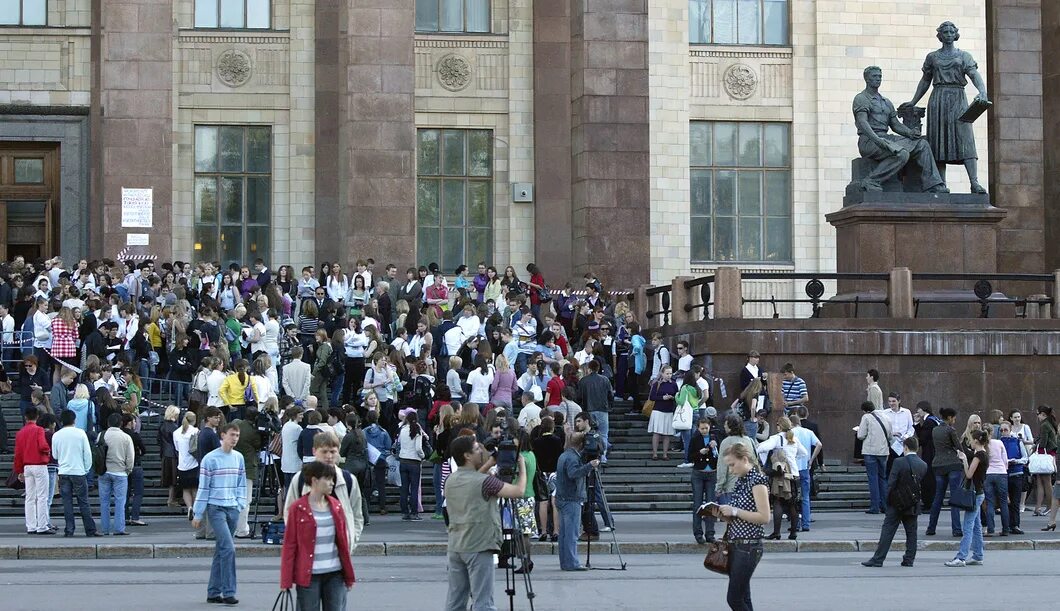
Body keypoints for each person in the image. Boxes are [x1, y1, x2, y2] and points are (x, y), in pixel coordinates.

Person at [443, 434, 528, 611]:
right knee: (484, 602)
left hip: (456, 546)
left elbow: (473, 480)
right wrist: (521, 465)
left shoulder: (450, 480)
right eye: (476, 449)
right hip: (479, 546)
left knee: (455, 601)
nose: (481, 450)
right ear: (467, 455)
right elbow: (518, 491)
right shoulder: (485, 482)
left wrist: (490, 463)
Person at [280, 462, 357, 611]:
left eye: (332, 479)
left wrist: (349, 575)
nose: (332, 483)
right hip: (309, 576)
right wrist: (285, 581)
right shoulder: (298, 508)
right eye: (327, 479)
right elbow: (290, 545)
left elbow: (342, 544)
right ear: (314, 480)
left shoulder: (336, 506)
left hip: (335, 574)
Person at [705, 442, 771, 611]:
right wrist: (723, 516)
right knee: (743, 597)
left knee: (734, 598)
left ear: (744, 459)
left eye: (733, 465)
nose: (731, 470)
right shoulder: (741, 481)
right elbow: (740, 517)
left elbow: (764, 517)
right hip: (737, 544)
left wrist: (734, 511)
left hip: (749, 545)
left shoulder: (757, 480)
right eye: (728, 466)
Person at [192, 422, 248, 605]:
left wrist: (240, 503)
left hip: (232, 507)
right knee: (228, 548)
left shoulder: (238, 457)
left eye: (237, 436)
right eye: (232, 435)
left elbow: (241, 483)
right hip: (215, 508)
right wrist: (198, 513)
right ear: (222, 435)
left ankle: (213, 592)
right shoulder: (210, 459)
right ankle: (229, 591)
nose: (235, 439)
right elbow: (203, 487)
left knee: (221, 549)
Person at [284, 431, 365, 557]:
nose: (329, 456)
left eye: (333, 452)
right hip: (309, 552)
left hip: (340, 552)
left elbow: (356, 515)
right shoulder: (301, 479)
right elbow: (289, 512)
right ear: (314, 451)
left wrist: (351, 540)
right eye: (324, 451)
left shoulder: (348, 480)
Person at [862, 436, 928, 567]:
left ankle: (878, 559)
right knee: (911, 533)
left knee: (888, 531)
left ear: (905, 447)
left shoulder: (899, 462)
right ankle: (909, 559)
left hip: (896, 503)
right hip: (913, 503)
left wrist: (887, 502)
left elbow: (891, 483)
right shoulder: (923, 464)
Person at [554, 431, 601, 571]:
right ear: (582, 444)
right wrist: (589, 466)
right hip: (571, 499)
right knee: (572, 533)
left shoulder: (564, 455)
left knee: (564, 534)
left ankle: (565, 562)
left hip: (562, 497)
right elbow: (573, 474)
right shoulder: (573, 458)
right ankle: (572, 563)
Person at [51, 409, 99, 537]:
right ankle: (90, 529)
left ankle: (69, 529)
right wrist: (86, 469)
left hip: (63, 472)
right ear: (74, 420)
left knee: (67, 502)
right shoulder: (80, 433)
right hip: (78, 471)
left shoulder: (56, 435)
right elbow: (87, 454)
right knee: (83, 501)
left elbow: (55, 455)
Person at [945, 429, 988, 567]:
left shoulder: (978, 456)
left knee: (968, 526)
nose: (970, 442)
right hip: (979, 492)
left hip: (974, 493)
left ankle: (961, 556)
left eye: (971, 439)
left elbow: (969, 474)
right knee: (976, 526)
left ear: (976, 441)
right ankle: (978, 555)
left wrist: (963, 460)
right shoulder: (984, 454)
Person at [14, 406, 53, 534]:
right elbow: (42, 445)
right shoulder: (39, 430)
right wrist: (47, 451)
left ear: (25, 417)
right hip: (39, 465)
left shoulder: (20, 433)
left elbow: (18, 453)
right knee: (42, 497)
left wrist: (19, 470)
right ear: (37, 416)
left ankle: (31, 525)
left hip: (27, 467)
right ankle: (42, 526)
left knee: (29, 497)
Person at [926, 407, 964, 537]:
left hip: (938, 465)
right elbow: (958, 447)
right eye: (954, 418)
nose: (954, 420)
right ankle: (957, 529)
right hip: (953, 464)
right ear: (949, 418)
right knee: (955, 498)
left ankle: (931, 528)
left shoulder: (935, 430)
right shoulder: (950, 430)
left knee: (938, 497)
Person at [856, 400, 892, 514]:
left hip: (870, 452)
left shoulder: (866, 417)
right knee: (883, 478)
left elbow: (861, 435)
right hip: (884, 452)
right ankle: (885, 506)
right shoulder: (885, 416)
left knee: (873, 478)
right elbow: (890, 435)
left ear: (865, 410)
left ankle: (874, 507)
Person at [232, 407, 263, 538]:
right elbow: (259, 444)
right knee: (246, 500)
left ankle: (234, 527)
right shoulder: (253, 432)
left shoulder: (237, 425)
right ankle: (242, 529)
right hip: (247, 467)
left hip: (233, 466)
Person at [790, 414, 822, 531]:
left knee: (793, 497)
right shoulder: (808, 432)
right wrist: (812, 459)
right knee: (805, 497)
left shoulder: (790, 433)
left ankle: (795, 524)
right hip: (805, 467)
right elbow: (819, 444)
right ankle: (806, 524)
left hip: (793, 468)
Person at [689, 418, 718, 544]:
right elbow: (689, 456)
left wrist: (715, 448)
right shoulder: (695, 439)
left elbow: (721, 455)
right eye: (702, 428)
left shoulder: (715, 437)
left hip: (712, 473)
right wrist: (700, 453)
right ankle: (698, 533)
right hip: (698, 473)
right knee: (697, 503)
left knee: (711, 504)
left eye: (706, 428)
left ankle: (710, 533)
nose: (705, 430)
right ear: (698, 428)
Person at [396, 411, 427, 521]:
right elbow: (418, 448)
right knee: (414, 488)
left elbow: (398, 443)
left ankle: (405, 512)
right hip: (414, 461)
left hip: (403, 460)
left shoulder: (402, 430)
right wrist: (422, 456)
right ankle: (414, 512)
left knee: (404, 488)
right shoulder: (417, 430)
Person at [998, 421, 1027, 535]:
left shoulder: (1017, 441)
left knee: (1015, 501)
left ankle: (1015, 525)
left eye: (1006, 430)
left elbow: (1025, 458)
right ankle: (1006, 526)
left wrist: (1016, 461)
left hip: (1017, 473)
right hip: (1003, 474)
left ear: (1010, 430)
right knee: (1004, 502)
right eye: (1001, 430)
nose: (1003, 432)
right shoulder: (999, 442)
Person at [122, 413, 148, 527]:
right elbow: (144, 449)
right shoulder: (135, 435)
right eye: (134, 421)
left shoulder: (121, 435)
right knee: (138, 492)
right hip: (136, 464)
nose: (136, 423)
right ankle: (135, 517)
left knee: (125, 493)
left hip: (123, 466)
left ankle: (125, 516)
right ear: (130, 423)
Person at [647, 365, 678, 460]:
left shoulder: (674, 384)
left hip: (668, 411)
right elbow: (652, 397)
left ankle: (665, 454)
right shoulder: (657, 384)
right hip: (658, 410)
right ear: (662, 373)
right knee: (656, 433)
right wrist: (662, 398)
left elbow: (677, 395)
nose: (669, 375)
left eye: (670, 373)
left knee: (667, 434)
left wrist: (672, 398)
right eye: (667, 373)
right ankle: (655, 454)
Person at [1036, 405, 1059, 528]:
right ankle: (1039, 507)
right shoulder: (1049, 423)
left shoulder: (1045, 424)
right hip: (1050, 453)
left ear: (1043, 414)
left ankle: (1049, 506)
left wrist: (1036, 449)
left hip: (1046, 454)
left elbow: (1043, 442)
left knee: (1046, 480)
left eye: (1038, 414)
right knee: (1042, 480)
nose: (1037, 417)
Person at [280, 406, 304, 489]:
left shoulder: (285, 425)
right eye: (301, 414)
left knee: (288, 488)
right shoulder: (297, 428)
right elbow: (302, 444)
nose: (302, 416)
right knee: (295, 490)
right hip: (295, 462)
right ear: (295, 415)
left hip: (286, 462)